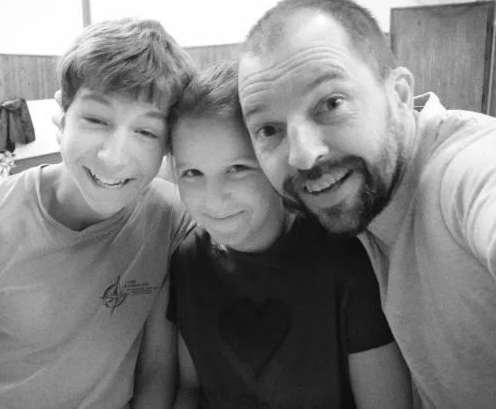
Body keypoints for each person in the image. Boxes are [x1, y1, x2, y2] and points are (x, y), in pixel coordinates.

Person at [0, 18, 195, 409]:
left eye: (146, 132)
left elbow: (157, 368)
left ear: (168, 144)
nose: (114, 157)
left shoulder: (170, 219)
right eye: (96, 120)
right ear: (61, 115)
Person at [238, 0, 496, 408]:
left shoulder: (466, 171)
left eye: (331, 103)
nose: (302, 156)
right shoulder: (359, 200)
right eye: (269, 129)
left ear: (399, 94)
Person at [166, 61, 411, 409]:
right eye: (192, 173)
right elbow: (190, 387)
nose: (213, 198)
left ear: (279, 159)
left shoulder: (344, 259)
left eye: (237, 169)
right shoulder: (187, 261)